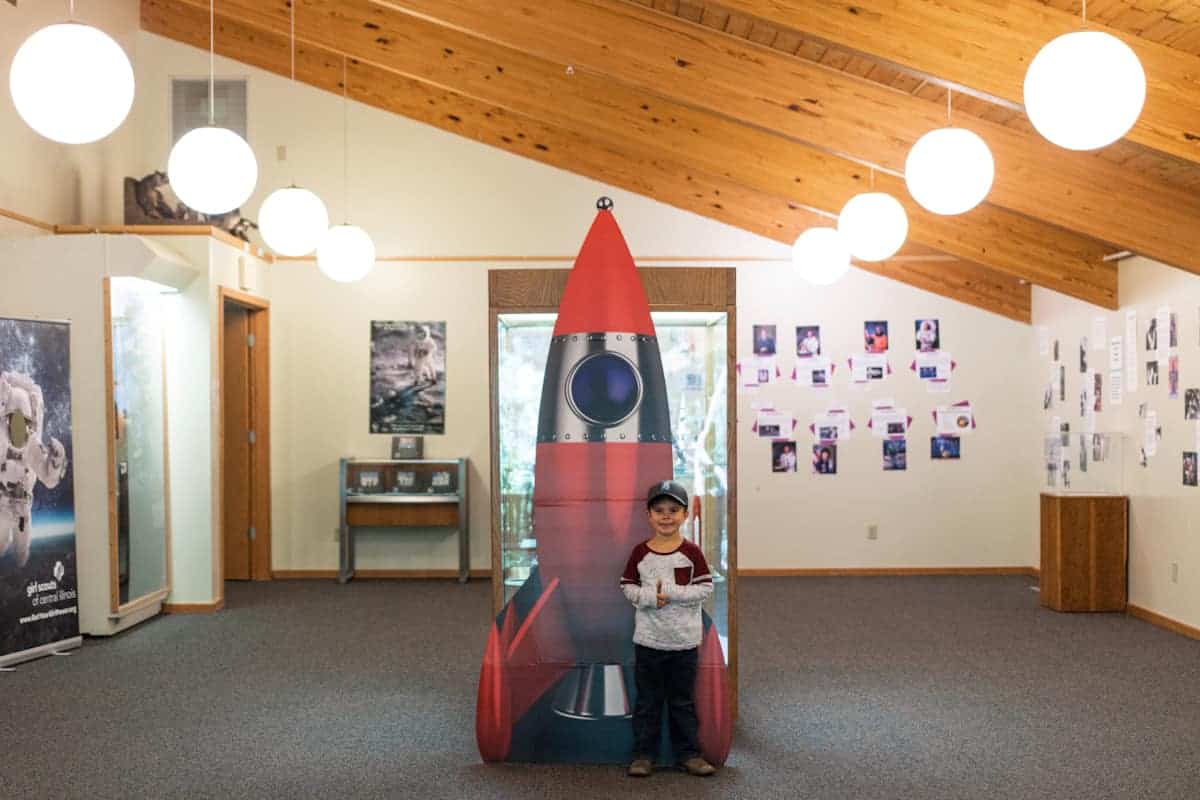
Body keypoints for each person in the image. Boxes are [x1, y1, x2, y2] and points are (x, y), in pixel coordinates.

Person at [619, 481, 716, 779]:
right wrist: (649, 598)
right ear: (648, 515)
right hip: (648, 642)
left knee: (682, 702)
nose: (666, 516)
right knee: (647, 702)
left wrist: (672, 592)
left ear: (685, 515)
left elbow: (705, 588)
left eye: (673, 510)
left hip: (684, 644)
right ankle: (643, 755)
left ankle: (689, 754)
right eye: (659, 510)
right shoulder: (640, 553)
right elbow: (627, 586)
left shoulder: (691, 552)